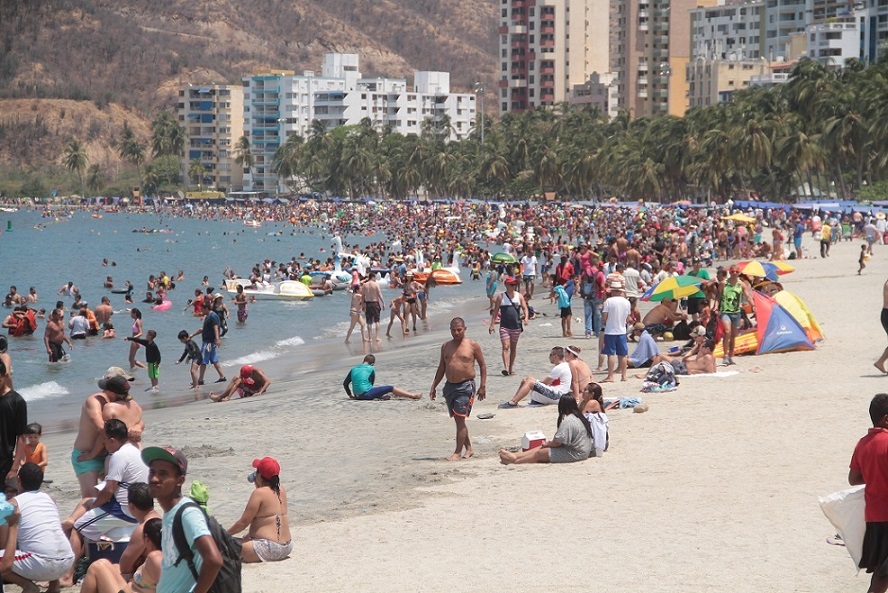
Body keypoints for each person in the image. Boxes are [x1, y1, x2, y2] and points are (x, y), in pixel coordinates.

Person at [61, 419, 149, 588]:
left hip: (122, 510)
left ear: (112, 440)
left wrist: (95, 507)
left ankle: (67, 575)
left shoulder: (119, 455)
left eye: (104, 440)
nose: (103, 445)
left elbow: (109, 490)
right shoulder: (135, 451)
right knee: (88, 501)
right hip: (137, 506)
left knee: (78, 528)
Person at [141, 446, 223, 593]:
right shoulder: (170, 513)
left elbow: (214, 559)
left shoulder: (187, 513)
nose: (154, 479)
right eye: (152, 472)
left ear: (180, 480)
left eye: (163, 474)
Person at [0, 463, 75, 593]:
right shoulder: (49, 499)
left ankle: (28, 586)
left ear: (18, 479)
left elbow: (3, 544)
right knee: (47, 537)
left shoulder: (13, 504)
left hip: (42, 564)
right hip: (68, 560)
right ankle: (54, 586)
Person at [71, 370, 143, 498]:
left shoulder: (117, 404)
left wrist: (138, 426)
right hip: (87, 455)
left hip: (110, 455)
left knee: (115, 495)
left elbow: (137, 420)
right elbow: (103, 429)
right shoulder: (94, 401)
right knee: (91, 498)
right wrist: (91, 455)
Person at [429, 318, 487, 461]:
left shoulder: (472, 345)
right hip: (449, 386)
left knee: (460, 419)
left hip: (466, 385)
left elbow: (482, 365)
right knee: (457, 419)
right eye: (453, 330)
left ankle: (457, 452)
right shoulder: (445, 346)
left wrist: (482, 386)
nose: (456, 332)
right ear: (450, 330)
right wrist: (434, 386)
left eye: (459, 329)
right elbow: (442, 367)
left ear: (464, 329)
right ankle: (469, 448)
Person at [849, 393, 888, 592]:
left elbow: (853, 479)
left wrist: (874, 476)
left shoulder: (862, 444)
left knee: (881, 574)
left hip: (874, 519)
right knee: (883, 577)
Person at [227, 457, 292, 563]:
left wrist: (225, 534)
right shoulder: (282, 489)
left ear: (259, 476)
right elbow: (269, 518)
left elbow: (243, 523)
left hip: (268, 548)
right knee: (244, 540)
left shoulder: (259, 493)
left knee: (223, 543)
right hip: (287, 547)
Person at [498, 395, 593, 464]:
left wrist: (547, 444)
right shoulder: (579, 417)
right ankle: (516, 456)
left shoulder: (568, 421)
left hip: (576, 453)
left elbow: (557, 443)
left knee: (540, 452)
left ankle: (515, 461)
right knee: (542, 447)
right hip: (582, 450)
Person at [78, 516, 162, 593]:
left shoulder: (155, 558)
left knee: (97, 566)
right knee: (113, 566)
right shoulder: (163, 556)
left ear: (147, 539)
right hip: (129, 589)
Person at [498, 346, 572, 408]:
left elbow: (546, 383)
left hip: (558, 395)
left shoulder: (559, 368)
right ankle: (514, 400)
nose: (549, 357)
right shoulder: (564, 366)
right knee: (527, 379)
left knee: (530, 382)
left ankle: (513, 402)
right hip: (558, 393)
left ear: (555, 356)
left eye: (550, 355)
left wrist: (532, 382)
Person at [489, 277, 529, 377]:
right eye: (511, 284)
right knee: (505, 347)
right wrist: (492, 324)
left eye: (514, 284)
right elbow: (495, 312)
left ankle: (511, 368)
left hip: (516, 326)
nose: (513, 286)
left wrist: (526, 318)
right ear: (506, 285)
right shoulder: (501, 297)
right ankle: (506, 368)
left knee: (513, 348)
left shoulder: (519, 296)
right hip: (504, 326)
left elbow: (525, 308)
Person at [718, 266, 754, 366]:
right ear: (729, 272)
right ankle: (725, 356)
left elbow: (747, 296)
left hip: (736, 312)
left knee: (733, 336)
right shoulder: (723, 284)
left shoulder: (741, 285)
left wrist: (753, 305)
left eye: (736, 271)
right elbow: (718, 297)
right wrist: (716, 307)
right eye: (732, 271)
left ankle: (730, 356)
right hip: (725, 311)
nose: (734, 273)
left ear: (739, 273)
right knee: (727, 331)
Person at [342, 354, 421, 400]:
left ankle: (381, 397)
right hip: (366, 394)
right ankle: (413, 395)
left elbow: (345, 383)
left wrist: (350, 395)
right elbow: (371, 384)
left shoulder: (353, 369)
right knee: (390, 388)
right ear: (372, 363)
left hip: (357, 396)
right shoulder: (371, 368)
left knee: (374, 390)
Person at [0, 360, 26, 482]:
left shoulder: (17, 401)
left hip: (4, 462)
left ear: (5, 376)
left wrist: (14, 468)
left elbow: (21, 436)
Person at [601, 282, 631, 382]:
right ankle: (624, 376)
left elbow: (604, 317)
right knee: (623, 354)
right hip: (622, 330)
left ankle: (610, 376)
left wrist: (605, 322)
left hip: (610, 330)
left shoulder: (608, 301)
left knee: (611, 354)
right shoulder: (626, 302)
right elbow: (628, 318)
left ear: (612, 291)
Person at [195, 296, 226, 386]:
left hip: (209, 342)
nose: (201, 311)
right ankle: (222, 376)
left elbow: (216, 327)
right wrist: (193, 335)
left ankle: (200, 379)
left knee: (203, 360)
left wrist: (217, 339)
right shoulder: (208, 316)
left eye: (202, 309)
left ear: (206, 308)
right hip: (208, 341)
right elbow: (203, 329)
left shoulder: (213, 316)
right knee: (214, 360)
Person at [580, 383, 609, 457]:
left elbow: (580, 417)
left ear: (591, 394)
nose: (583, 391)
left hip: (599, 441)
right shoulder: (583, 402)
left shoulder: (593, 403)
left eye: (585, 390)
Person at [362, 272, 385, 343]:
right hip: (375, 303)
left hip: (368, 303)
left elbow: (363, 296)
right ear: (373, 277)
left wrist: (363, 305)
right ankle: (377, 337)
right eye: (375, 277)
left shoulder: (364, 285)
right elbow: (379, 294)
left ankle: (370, 338)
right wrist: (383, 303)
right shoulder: (376, 284)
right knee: (377, 321)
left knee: (369, 322)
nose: (376, 279)